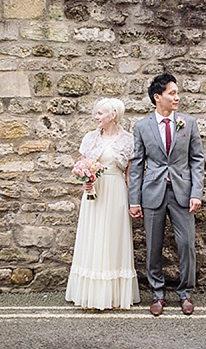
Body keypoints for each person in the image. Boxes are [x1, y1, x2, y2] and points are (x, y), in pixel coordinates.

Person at [129, 73, 204, 316]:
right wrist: (134, 200)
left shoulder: (188, 123)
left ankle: (185, 293)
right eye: (172, 93)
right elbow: (137, 165)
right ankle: (157, 294)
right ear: (157, 97)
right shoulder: (141, 127)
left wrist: (197, 193)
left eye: (177, 92)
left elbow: (197, 160)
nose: (177, 97)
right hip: (152, 194)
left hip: (183, 193)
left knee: (186, 245)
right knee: (153, 247)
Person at [65, 98, 140, 310]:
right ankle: (90, 293)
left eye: (100, 113)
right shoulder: (90, 138)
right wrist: (85, 182)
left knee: (113, 238)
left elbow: (130, 175)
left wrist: (134, 201)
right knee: (93, 237)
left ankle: (114, 294)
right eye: (96, 114)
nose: (96, 117)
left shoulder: (127, 140)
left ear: (113, 115)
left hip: (116, 191)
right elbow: (81, 165)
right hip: (94, 194)